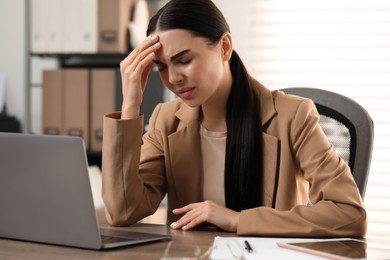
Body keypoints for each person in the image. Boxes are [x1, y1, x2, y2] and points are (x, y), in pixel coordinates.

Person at [102, 0, 366, 237]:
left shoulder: (292, 117)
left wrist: (238, 220)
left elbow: (349, 214)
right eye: (161, 67)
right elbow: (123, 211)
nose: (173, 78)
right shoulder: (166, 120)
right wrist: (130, 104)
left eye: (183, 60)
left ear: (225, 47)